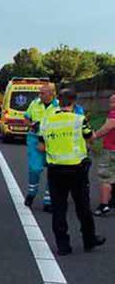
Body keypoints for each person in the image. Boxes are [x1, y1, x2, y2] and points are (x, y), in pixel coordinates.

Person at [38, 89, 106, 255]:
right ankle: (89, 240)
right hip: (77, 170)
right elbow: (91, 138)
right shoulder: (79, 120)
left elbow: (41, 147)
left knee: (58, 208)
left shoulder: (46, 121)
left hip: (55, 170)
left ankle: (63, 246)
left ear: (58, 101)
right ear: (74, 102)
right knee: (82, 206)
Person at [24, 84, 58, 212]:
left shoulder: (58, 106)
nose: (40, 95)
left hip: (53, 141)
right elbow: (26, 119)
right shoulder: (34, 104)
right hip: (34, 140)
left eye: (43, 93)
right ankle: (31, 193)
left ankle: (48, 201)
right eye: (40, 93)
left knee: (53, 171)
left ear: (51, 94)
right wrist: (32, 124)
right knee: (35, 169)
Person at [91, 94, 115, 216]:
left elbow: (107, 127)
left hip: (111, 149)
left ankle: (103, 205)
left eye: (113, 103)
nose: (110, 105)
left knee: (105, 177)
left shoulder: (113, 114)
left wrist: (94, 136)